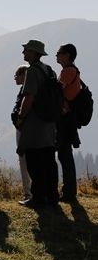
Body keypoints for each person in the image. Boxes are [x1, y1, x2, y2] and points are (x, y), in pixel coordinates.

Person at [16, 40, 59, 207]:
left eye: (26, 50)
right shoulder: (49, 71)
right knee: (49, 160)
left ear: (34, 53)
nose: (24, 53)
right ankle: (52, 196)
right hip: (49, 123)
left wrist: (21, 117)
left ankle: (38, 198)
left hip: (35, 123)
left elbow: (29, 97)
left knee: (34, 161)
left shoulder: (32, 72)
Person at [56, 43, 82, 203]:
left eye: (59, 53)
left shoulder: (68, 71)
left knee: (64, 155)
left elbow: (56, 90)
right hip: (68, 118)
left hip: (64, 119)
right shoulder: (72, 70)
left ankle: (69, 192)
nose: (56, 55)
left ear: (67, 55)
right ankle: (69, 191)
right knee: (65, 155)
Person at [11, 65, 32, 201]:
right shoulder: (24, 90)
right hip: (27, 128)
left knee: (23, 159)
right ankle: (31, 192)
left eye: (16, 75)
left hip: (24, 128)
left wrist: (19, 120)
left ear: (24, 76)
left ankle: (28, 193)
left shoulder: (26, 91)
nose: (15, 78)